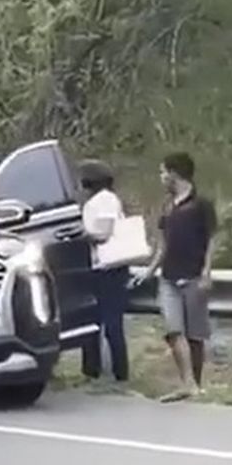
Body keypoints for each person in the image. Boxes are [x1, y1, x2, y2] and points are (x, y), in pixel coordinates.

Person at [135, 151, 217, 403]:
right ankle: (188, 383)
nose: (161, 178)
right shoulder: (167, 206)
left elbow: (212, 239)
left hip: (193, 275)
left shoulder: (201, 204)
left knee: (195, 336)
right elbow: (163, 244)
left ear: (174, 173)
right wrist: (149, 270)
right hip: (169, 277)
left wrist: (206, 271)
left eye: (162, 172)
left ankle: (195, 385)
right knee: (173, 330)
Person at [77, 159, 130, 383]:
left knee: (111, 323)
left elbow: (105, 233)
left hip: (110, 268)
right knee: (95, 321)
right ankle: (92, 370)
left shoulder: (106, 200)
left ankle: (120, 372)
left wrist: (85, 234)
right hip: (99, 267)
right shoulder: (96, 201)